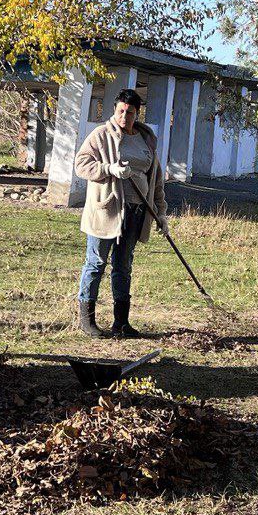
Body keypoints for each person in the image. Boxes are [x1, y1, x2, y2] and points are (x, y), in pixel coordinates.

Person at [74, 88, 168, 337]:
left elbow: (156, 180)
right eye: (121, 111)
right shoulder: (101, 135)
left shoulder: (146, 139)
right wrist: (109, 169)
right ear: (115, 110)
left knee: (123, 265)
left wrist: (161, 213)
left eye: (130, 112)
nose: (124, 116)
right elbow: (81, 164)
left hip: (137, 211)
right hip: (107, 209)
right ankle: (88, 321)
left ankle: (121, 323)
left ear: (138, 113)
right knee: (96, 263)